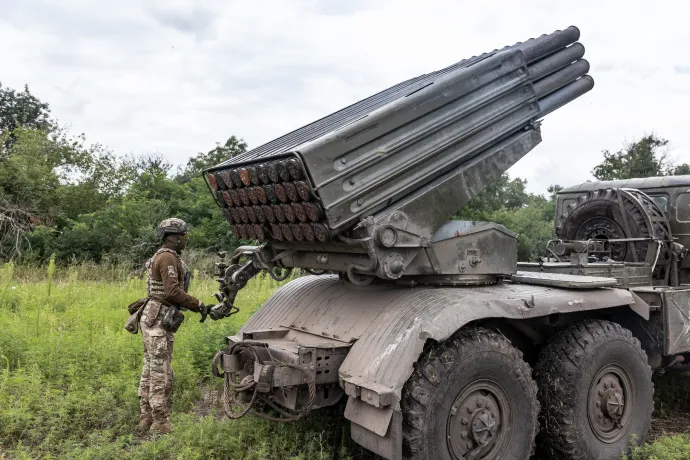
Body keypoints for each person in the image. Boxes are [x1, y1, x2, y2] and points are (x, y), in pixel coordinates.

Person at [136, 218, 208, 435]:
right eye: (185, 236)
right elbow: (172, 292)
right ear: (176, 238)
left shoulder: (161, 255)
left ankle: (146, 417)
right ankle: (160, 422)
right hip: (158, 318)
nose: (186, 240)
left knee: (150, 367)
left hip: (154, 315)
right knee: (160, 371)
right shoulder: (167, 258)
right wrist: (198, 304)